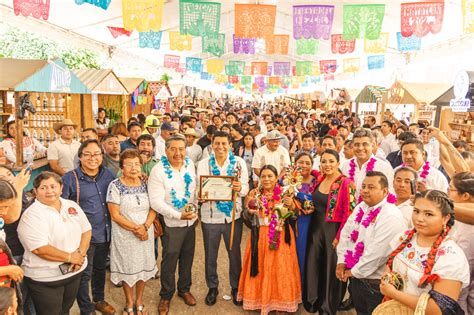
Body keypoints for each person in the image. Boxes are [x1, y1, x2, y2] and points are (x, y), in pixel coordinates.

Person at [380, 190, 469, 314]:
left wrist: (393, 293)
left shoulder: (451, 256)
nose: (419, 219)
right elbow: (390, 264)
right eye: (416, 211)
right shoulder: (405, 237)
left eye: (429, 214)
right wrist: (388, 278)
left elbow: (439, 310)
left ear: (445, 218)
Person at [18, 172, 92, 315]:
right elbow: (39, 249)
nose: (50, 191)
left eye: (53, 186)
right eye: (43, 188)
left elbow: (86, 231)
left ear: (61, 188)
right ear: (35, 191)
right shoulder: (32, 215)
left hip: (74, 271)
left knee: (65, 310)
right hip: (46, 278)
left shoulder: (71, 205)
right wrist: (70, 258)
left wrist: (80, 255)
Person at [336, 172, 406, 315]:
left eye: (371, 187)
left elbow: (377, 254)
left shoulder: (390, 215)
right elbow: (346, 233)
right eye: (364, 186)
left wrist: (351, 272)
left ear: (385, 191)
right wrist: (341, 261)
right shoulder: (362, 206)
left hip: (375, 284)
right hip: (356, 278)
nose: (365, 190)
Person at [61, 140, 116, 315]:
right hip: (82, 237)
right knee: (83, 274)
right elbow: (60, 207)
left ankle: (98, 299)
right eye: (88, 154)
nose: (93, 158)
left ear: (102, 156)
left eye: (97, 154)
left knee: (100, 269)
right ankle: (86, 308)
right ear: (80, 156)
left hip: (105, 232)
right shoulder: (70, 179)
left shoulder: (108, 175)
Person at [238, 165, 301, 314]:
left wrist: (291, 205)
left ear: (276, 178)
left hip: (280, 233)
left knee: (281, 269)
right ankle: (260, 300)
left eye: (270, 176)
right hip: (260, 235)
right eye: (263, 176)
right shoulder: (254, 194)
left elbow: (295, 215)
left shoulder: (286, 193)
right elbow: (246, 218)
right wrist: (250, 211)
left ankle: (282, 302)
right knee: (261, 267)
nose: (266, 179)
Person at [196, 131, 249, 306]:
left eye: (224, 144)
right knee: (210, 255)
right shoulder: (204, 164)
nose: (220, 147)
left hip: (232, 217)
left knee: (234, 254)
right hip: (210, 217)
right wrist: (201, 196)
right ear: (211, 144)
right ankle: (212, 287)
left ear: (230, 145)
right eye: (216, 143)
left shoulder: (239, 163)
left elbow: (246, 188)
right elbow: (200, 186)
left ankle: (236, 287)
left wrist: (240, 186)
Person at [148, 135, 198, 314]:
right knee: (169, 260)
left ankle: (184, 289)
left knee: (187, 257)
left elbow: (194, 191)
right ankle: (166, 295)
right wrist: (178, 215)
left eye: (181, 149)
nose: (178, 153)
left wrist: (196, 208)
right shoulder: (158, 170)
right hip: (171, 223)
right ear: (166, 150)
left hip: (191, 222)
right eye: (173, 149)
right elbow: (155, 201)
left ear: (186, 149)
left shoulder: (190, 165)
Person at [303, 150, 356, 314]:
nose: (327, 165)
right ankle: (313, 300)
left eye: (331, 161)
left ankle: (327, 306)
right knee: (314, 266)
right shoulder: (320, 178)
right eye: (324, 161)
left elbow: (350, 213)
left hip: (333, 232)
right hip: (315, 230)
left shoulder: (347, 183)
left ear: (338, 163)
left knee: (330, 270)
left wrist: (340, 236)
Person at [107, 150, 158, 315]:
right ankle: (129, 303)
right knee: (128, 269)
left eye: (136, 164)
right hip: (125, 235)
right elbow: (115, 215)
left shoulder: (146, 184)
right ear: (122, 167)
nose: (133, 168)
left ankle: (139, 301)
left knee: (143, 267)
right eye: (129, 164)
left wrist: (146, 226)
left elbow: (153, 207)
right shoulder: (115, 185)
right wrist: (137, 229)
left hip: (146, 233)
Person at [341, 129, 394, 200]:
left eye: (365, 144)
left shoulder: (384, 167)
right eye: (357, 145)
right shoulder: (346, 165)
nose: (360, 148)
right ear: (352, 146)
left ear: (372, 146)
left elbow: (389, 194)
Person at [448, 172, 474, 314]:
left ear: (465, 196)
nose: (447, 194)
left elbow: (461, 283)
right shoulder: (459, 217)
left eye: (450, 190)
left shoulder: (469, 228)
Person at [290, 152, 318, 280]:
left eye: (308, 163)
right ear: (295, 164)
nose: (304, 165)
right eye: (301, 162)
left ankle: (303, 285)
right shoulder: (288, 180)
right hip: (292, 221)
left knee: (305, 254)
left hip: (310, 223)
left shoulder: (317, 181)